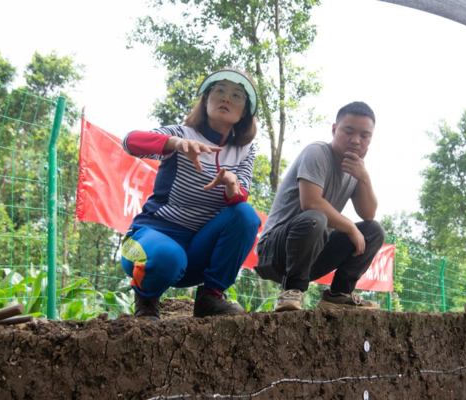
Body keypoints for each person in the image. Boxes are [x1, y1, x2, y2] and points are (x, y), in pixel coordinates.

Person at [120, 69, 261, 320]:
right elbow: (130, 141)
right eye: (219, 91)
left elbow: (241, 196)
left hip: (197, 253)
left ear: (244, 113)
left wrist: (230, 185)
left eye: (236, 95)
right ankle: (146, 298)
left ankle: (211, 297)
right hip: (145, 243)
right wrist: (175, 144)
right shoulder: (183, 134)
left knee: (246, 215)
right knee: (167, 257)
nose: (226, 99)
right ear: (206, 100)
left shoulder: (244, 150)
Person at [255, 101, 385, 311]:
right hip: (275, 251)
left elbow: (368, 213)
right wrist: (351, 228)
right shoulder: (317, 153)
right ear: (334, 130)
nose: (355, 141)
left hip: (312, 255)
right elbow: (311, 202)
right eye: (349, 131)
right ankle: (292, 290)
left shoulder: (355, 171)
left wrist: (364, 177)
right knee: (316, 217)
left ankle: (339, 294)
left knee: (374, 231)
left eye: (364, 136)